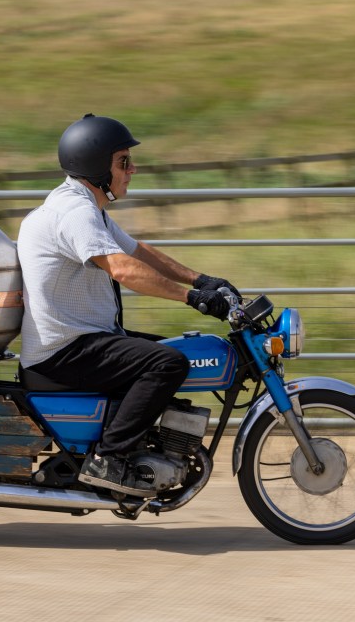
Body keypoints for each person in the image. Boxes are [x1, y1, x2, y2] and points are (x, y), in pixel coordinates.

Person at [17, 114, 239, 497]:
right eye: (123, 162)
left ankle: (142, 446)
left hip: (83, 339)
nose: (132, 170)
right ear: (95, 165)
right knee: (166, 362)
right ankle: (109, 459)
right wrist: (192, 299)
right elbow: (122, 268)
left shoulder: (88, 206)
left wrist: (201, 280)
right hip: (62, 352)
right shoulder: (75, 213)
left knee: (174, 349)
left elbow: (138, 251)